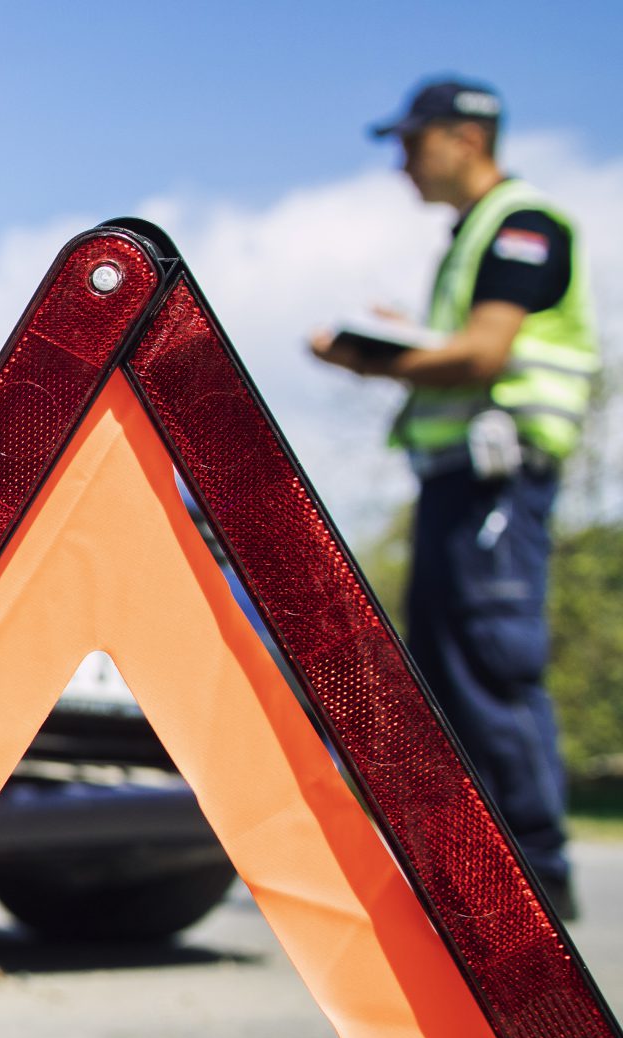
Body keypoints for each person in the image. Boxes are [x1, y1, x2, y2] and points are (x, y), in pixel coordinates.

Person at [312, 76, 597, 921]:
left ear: (464, 138)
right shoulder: (474, 235)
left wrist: (376, 360)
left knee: (490, 664)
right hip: (457, 485)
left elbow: (482, 355)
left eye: (411, 143)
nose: (402, 162)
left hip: (496, 485)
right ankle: (478, 876)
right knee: (444, 668)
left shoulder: (522, 225)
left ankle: (536, 882)